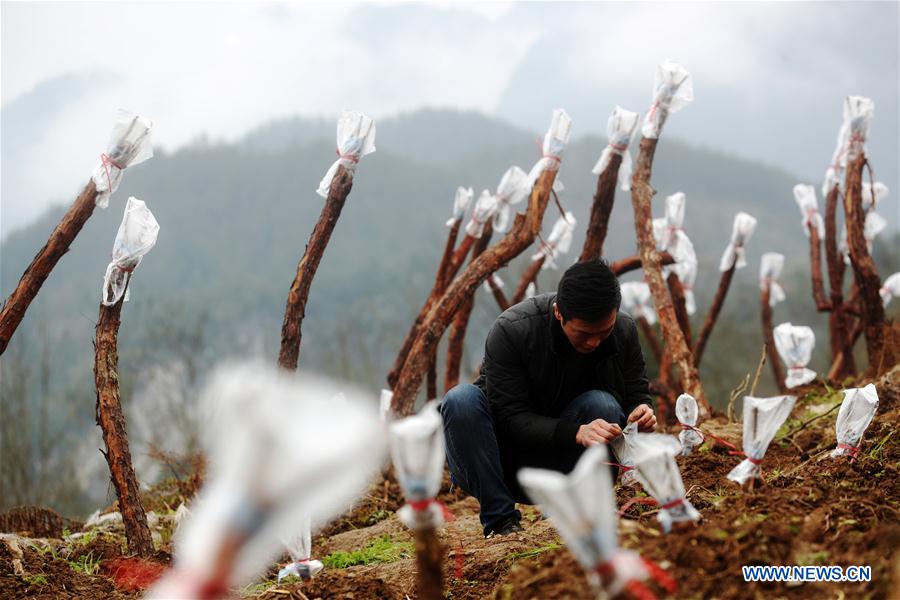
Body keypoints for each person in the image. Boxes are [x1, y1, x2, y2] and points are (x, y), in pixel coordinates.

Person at [440, 259, 657, 537]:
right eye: (583, 334)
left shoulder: (623, 330)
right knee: (461, 400)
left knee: (602, 404)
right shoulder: (512, 331)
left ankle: (574, 510)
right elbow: (509, 418)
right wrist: (576, 431)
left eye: (603, 333)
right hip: (501, 464)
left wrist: (642, 410)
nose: (593, 343)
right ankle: (501, 523)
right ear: (558, 313)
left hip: (565, 461)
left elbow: (636, 390)